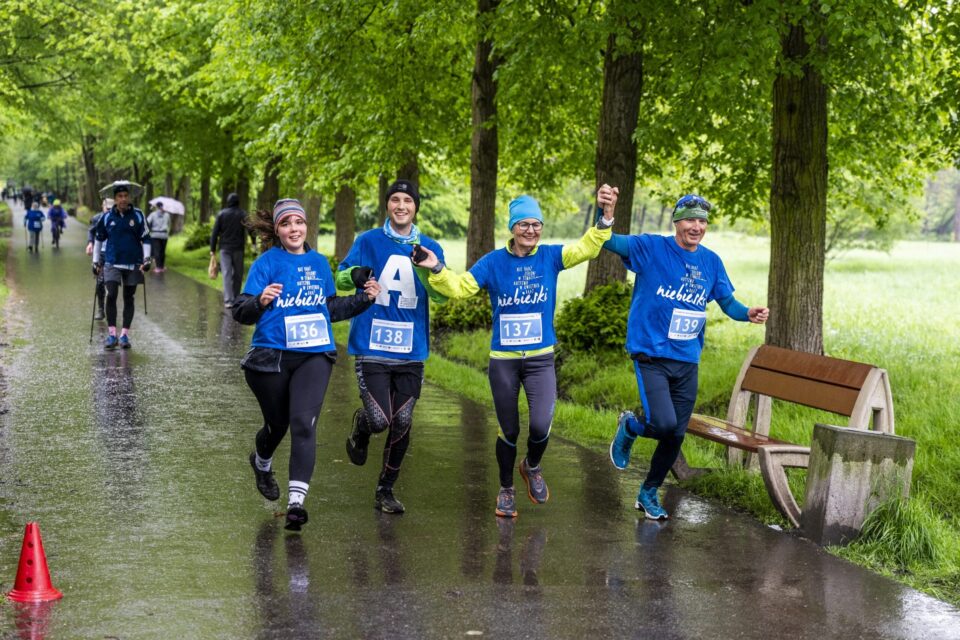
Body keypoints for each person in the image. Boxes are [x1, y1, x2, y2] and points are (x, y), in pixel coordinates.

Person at [413, 186, 618, 517]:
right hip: (504, 363)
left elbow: (585, 248)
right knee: (508, 429)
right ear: (512, 228)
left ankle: (532, 465)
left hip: (540, 360)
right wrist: (436, 268)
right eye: (524, 224)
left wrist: (605, 218)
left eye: (536, 224)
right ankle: (506, 488)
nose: (531, 230)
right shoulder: (493, 262)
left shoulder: (551, 257)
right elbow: (461, 288)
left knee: (541, 425)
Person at [605, 194, 769, 520]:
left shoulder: (711, 262)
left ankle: (648, 492)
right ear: (677, 222)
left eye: (702, 221)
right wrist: (607, 214)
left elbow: (727, 302)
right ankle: (630, 426)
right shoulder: (651, 248)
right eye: (690, 220)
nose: (697, 226)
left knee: (676, 433)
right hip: (651, 353)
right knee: (663, 424)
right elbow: (608, 240)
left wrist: (747, 313)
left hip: (687, 359)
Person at [232, 199, 381, 531]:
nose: (294, 229)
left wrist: (365, 299)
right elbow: (240, 311)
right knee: (277, 426)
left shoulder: (319, 263)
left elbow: (330, 308)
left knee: (303, 424)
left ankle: (296, 504)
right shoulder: (266, 263)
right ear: (278, 230)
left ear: (306, 226)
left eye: (298, 222)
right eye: (286, 223)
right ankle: (261, 462)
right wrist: (260, 301)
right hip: (271, 359)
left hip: (315, 355)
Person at [337, 179, 447, 514]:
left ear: (416, 207)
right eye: (395, 199)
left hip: (411, 350)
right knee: (379, 419)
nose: (401, 206)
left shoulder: (430, 247)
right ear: (387, 204)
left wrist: (433, 269)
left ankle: (385, 489)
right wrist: (356, 275)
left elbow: (442, 296)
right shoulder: (368, 240)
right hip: (372, 345)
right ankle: (362, 426)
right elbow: (340, 276)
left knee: (402, 420)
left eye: (408, 201)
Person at [92, 183, 152, 350]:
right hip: (112, 261)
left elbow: (146, 238)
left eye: (126, 196)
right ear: (115, 199)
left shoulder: (138, 215)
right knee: (111, 294)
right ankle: (112, 335)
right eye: (120, 196)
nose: (123, 199)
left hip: (134, 262)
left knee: (129, 297)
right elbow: (98, 239)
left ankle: (124, 335)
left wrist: (147, 259)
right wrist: (95, 261)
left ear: (129, 197)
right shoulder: (107, 217)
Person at [210, 193, 253, 308]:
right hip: (238, 248)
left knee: (226, 273)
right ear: (238, 202)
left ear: (228, 202)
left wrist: (212, 249)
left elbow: (214, 233)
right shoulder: (243, 214)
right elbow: (251, 229)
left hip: (225, 249)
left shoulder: (222, 214)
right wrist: (254, 242)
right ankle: (236, 298)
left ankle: (228, 300)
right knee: (238, 274)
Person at [87, 198, 114, 320]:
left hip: (115, 254)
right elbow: (91, 231)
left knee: (112, 284)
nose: (109, 210)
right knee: (100, 282)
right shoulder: (97, 218)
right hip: (101, 254)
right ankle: (100, 309)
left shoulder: (119, 219)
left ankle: (112, 308)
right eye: (107, 207)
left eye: (111, 208)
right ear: (102, 207)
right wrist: (90, 243)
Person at [147, 202, 171, 272]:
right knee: (162, 251)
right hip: (164, 235)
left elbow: (147, 222)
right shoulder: (167, 215)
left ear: (156, 207)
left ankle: (157, 267)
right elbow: (169, 223)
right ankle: (162, 266)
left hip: (155, 234)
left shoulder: (153, 214)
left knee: (156, 251)